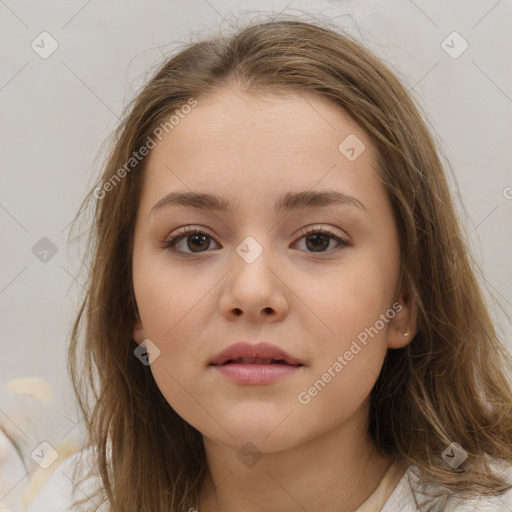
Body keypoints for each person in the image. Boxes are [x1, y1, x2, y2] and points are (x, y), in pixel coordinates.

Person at [27, 15, 512, 512]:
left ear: (405, 299)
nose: (252, 292)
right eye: (195, 241)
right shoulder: (58, 500)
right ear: (130, 301)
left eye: (319, 241)